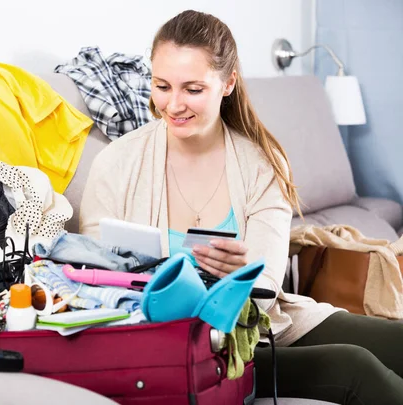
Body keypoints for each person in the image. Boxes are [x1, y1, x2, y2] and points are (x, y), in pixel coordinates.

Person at [79, 9, 403, 405]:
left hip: (260, 322)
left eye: (192, 89)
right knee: (356, 367)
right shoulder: (117, 164)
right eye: (162, 85)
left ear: (228, 83)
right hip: (180, 347)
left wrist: (244, 277)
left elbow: (266, 288)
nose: (173, 104)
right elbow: (91, 279)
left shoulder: (262, 163)